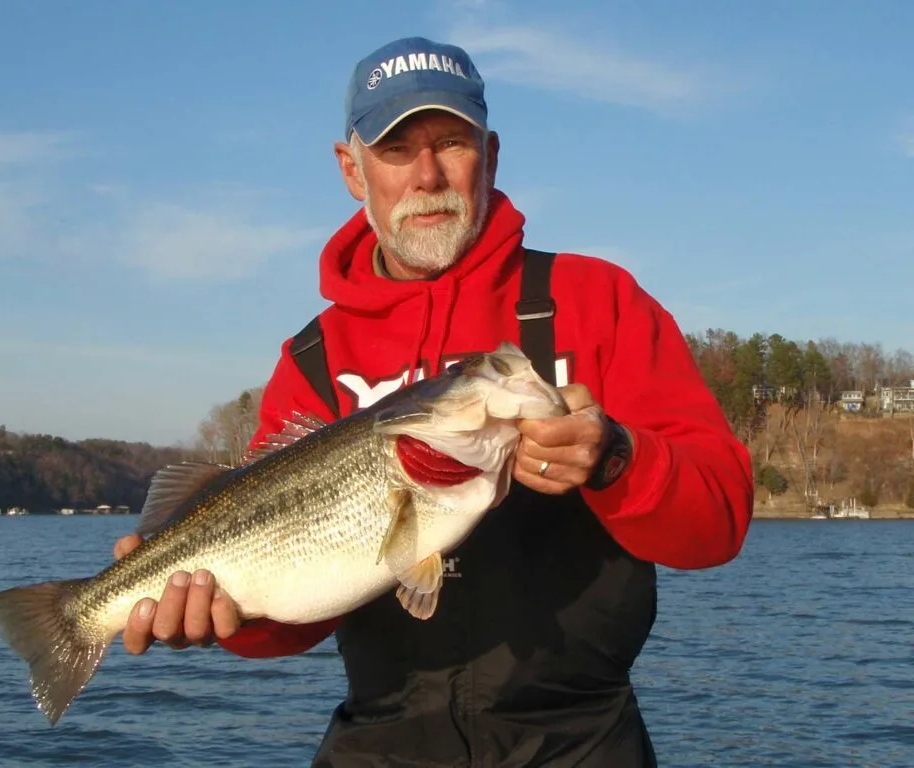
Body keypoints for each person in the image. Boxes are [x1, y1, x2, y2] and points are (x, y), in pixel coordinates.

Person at [114, 36, 754, 767]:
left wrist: (615, 459)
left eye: (452, 142)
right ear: (352, 170)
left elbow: (722, 520)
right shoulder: (311, 362)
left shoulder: (598, 301)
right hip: (381, 740)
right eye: (394, 149)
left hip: (580, 742)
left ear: (492, 153)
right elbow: (288, 622)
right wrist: (224, 621)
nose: (426, 175)